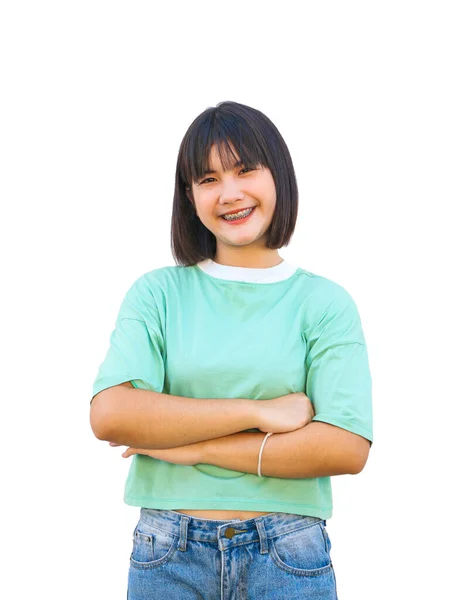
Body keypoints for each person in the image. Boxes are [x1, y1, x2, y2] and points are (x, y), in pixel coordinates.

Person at [90, 100, 373, 599]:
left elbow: (345, 447)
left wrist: (198, 448)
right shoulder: (157, 294)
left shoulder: (324, 302)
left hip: (288, 553)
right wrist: (260, 413)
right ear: (190, 196)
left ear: (278, 176)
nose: (231, 193)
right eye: (208, 179)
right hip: (168, 552)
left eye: (246, 170)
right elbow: (111, 415)